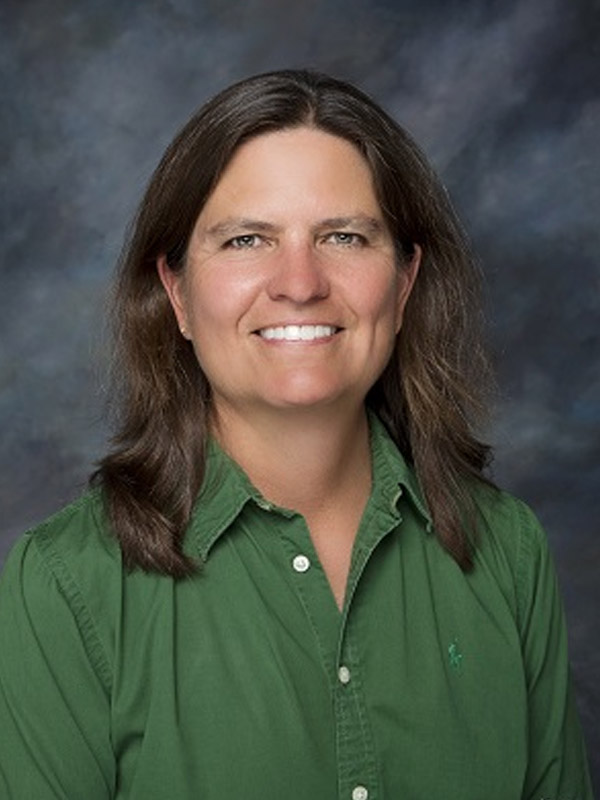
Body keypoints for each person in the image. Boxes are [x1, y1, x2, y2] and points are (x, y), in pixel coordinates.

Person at [0, 69, 592, 800]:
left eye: (343, 236)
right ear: (177, 293)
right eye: (248, 239)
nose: (300, 281)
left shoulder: (508, 552)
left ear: (404, 286)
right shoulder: (66, 583)